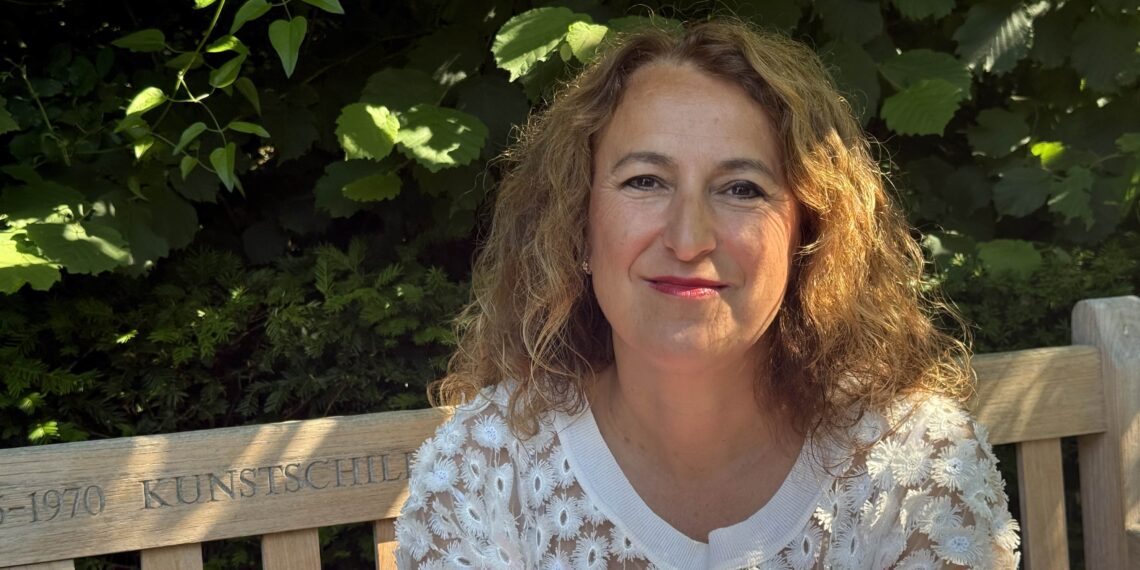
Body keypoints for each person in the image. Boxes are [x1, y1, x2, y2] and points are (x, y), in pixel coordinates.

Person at [395, 19, 1020, 570]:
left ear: (809, 235)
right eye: (645, 181)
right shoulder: (486, 474)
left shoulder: (915, 466)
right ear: (576, 225)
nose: (688, 239)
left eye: (741, 189)